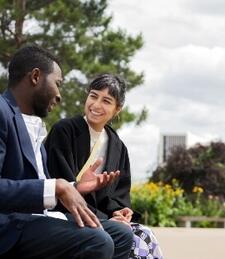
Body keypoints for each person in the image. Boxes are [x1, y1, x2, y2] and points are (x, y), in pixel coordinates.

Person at [0, 45, 133, 258]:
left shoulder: (30, 125)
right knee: (97, 241)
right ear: (35, 77)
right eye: (57, 84)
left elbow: (34, 188)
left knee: (122, 235)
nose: (59, 95)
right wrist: (57, 187)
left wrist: (75, 187)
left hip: (25, 221)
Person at [45, 73, 163, 259]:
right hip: (65, 213)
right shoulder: (64, 131)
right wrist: (108, 219)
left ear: (117, 109)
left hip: (102, 217)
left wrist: (119, 212)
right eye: (93, 96)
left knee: (144, 233)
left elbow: (117, 195)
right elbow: (59, 183)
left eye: (106, 101)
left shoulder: (117, 146)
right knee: (130, 236)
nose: (96, 105)